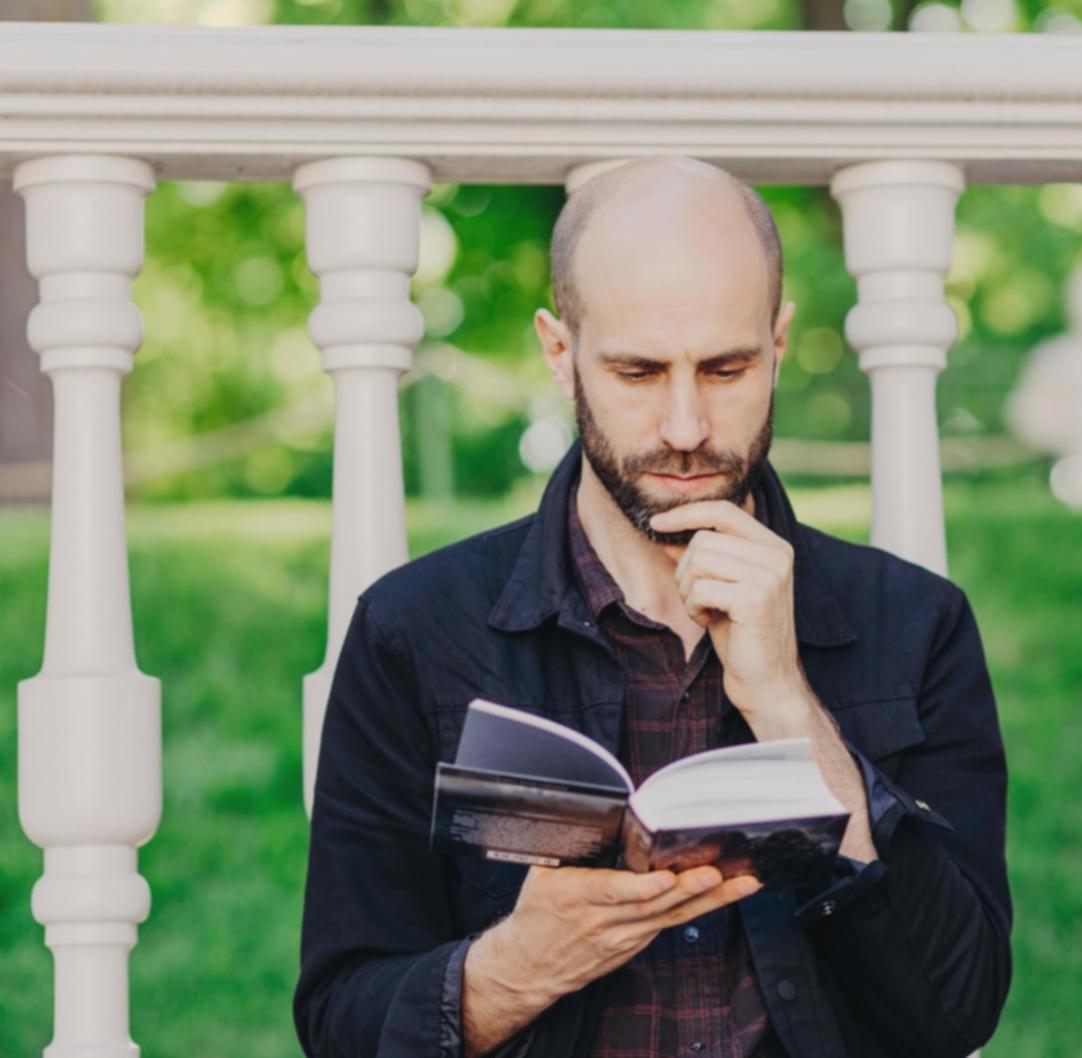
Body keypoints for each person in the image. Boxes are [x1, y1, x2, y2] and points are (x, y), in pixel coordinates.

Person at [292, 156, 1012, 1058]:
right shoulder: (414, 632)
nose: (685, 427)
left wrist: (790, 704)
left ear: (779, 344)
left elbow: (960, 1007)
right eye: (638, 372)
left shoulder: (917, 624)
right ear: (561, 354)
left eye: (726, 368)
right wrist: (516, 967)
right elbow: (339, 1021)